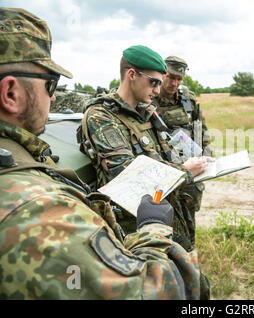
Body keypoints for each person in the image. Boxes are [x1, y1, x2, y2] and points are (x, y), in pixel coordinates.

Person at [0, 7, 201, 299]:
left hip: (167, 219)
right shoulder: (100, 117)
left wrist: (190, 166)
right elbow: (128, 175)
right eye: (50, 85)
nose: (54, 97)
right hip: (138, 233)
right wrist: (184, 174)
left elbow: (169, 153)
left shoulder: (149, 114)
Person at [151, 56, 212, 248]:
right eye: (171, 77)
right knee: (161, 215)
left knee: (188, 215)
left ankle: (188, 254)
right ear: (162, 74)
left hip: (190, 169)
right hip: (164, 171)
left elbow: (201, 130)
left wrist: (208, 157)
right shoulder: (149, 97)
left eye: (179, 79)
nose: (174, 83)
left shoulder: (188, 99)